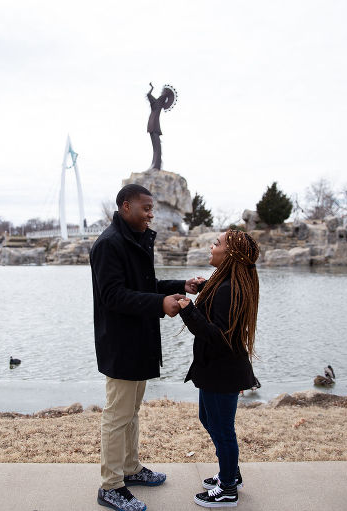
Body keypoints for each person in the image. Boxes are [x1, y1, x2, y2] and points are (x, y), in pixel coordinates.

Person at [90, 183, 204, 511]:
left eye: (152, 208)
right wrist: (159, 304)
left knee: (132, 412)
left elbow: (146, 286)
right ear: (126, 206)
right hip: (121, 344)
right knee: (117, 415)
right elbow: (113, 296)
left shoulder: (136, 240)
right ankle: (110, 486)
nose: (150, 214)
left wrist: (179, 286)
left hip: (139, 340)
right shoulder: (108, 245)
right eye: (146, 208)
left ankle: (130, 469)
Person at [177, 230, 260, 508]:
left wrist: (188, 310)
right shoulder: (224, 282)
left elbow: (217, 336)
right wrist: (202, 290)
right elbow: (217, 308)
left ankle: (227, 489)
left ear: (230, 254)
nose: (212, 247)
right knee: (208, 419)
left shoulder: (228, 289)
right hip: (215, 369)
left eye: (217, 243)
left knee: (223, 429)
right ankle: (230, 473)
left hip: (223, 372)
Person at [146, 83, 175, 170]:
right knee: (155, 146)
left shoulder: (160, 100)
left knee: (157, 146)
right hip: (152, 125)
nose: (161, 92)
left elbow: (151, 95)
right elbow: (149, 95)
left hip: (154, 125)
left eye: (163, 91)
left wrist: (166, 92)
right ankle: (155, 164)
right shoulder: (156, 102)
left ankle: (156, 165)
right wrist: (152, 88)